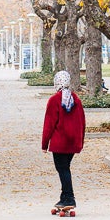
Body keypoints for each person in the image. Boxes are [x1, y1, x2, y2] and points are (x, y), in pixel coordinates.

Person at [41, 70, 86, 211]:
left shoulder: (54, 100)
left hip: (59, 142)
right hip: (73, 142)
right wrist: (80, 142)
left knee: (62, 169)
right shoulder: (76, 99)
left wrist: (44, 144)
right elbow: (82, 122)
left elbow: (49, 124)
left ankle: (69, 197)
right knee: (65, 168)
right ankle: (64, 196)